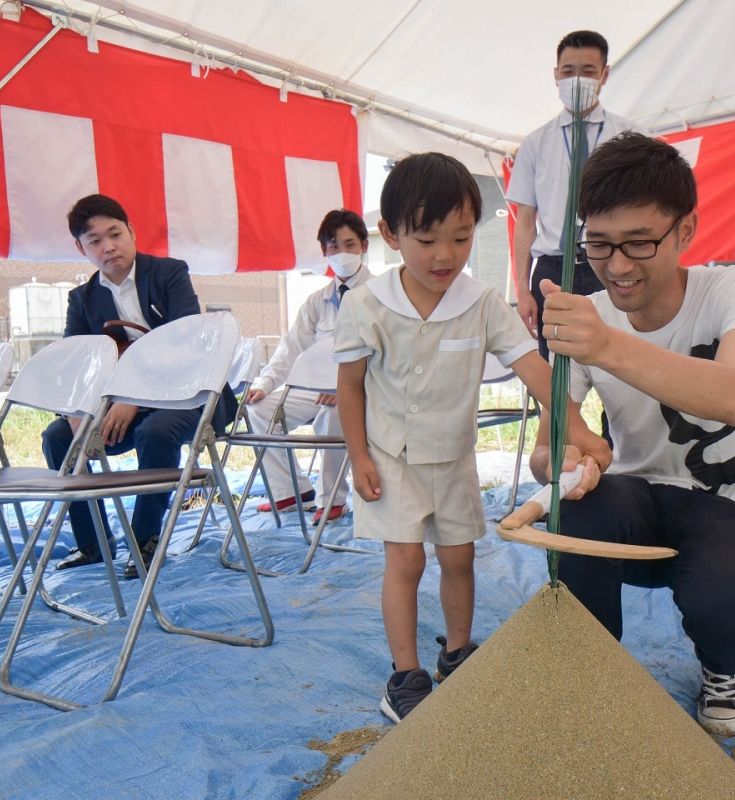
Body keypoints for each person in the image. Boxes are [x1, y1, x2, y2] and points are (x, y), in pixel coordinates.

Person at [334, 152, 610, 724]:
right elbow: (351, 387)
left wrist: (576, 428)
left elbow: (535, 371)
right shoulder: (366, 305)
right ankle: (405, 674)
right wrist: (358, 454)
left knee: (459, 558)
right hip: (390, 460)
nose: (445, 256)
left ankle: (457, 653)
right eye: (427, 239)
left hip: (453, 460)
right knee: (405, 560)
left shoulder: (481, 303)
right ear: (389, 234)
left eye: (460, 239)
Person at [533, 132, 735, 736]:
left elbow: (733, 393)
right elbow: (548, 449)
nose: (617, 266)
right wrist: (568, 461)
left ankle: (724, 663)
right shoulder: (587, 316)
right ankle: (589, 669)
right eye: (599, 243)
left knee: (732, 604)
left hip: (730, 509)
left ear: (686, 230)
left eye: (640, 242)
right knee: (578, 509)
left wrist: (605, 343)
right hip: (635, 503)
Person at [41, 193, 237, 579]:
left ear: (131, 231)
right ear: (80, 248)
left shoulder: (169, 273)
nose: (108, 246)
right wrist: (77, 413)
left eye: (115, 234)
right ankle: (94, 543)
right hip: (119, 405)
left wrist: (133, 397)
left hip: (191, 394)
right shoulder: (81, 299)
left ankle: (144, 540)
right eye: (94, 240)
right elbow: (76, 361)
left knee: (157, 430)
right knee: (58, 437)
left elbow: (186, 343)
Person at [507, 29, 635, 360]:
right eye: (568, 71)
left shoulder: (630, 138)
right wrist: (522, 288)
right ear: (555, 75)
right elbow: (525, 221)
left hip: (610, 263)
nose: (577, 80)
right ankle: (558, 414)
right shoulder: (535, 143)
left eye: (588, 71)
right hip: (552, 268)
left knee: (619, 367)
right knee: (556, 372)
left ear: (605, 75)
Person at [245, 209, 369, 525]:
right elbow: (291, 348)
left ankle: (333, 499)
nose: (342, 253)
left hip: (368, 391)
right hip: (319, 389)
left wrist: (349, 390)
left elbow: (394, 354)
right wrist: (265, 384)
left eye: (350, 244)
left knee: (334, 413)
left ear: (364, 246)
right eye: (334, 247)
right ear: (324, 252)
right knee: (260, 411)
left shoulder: (383, 295)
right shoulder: (317, 301)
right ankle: (292, 491)